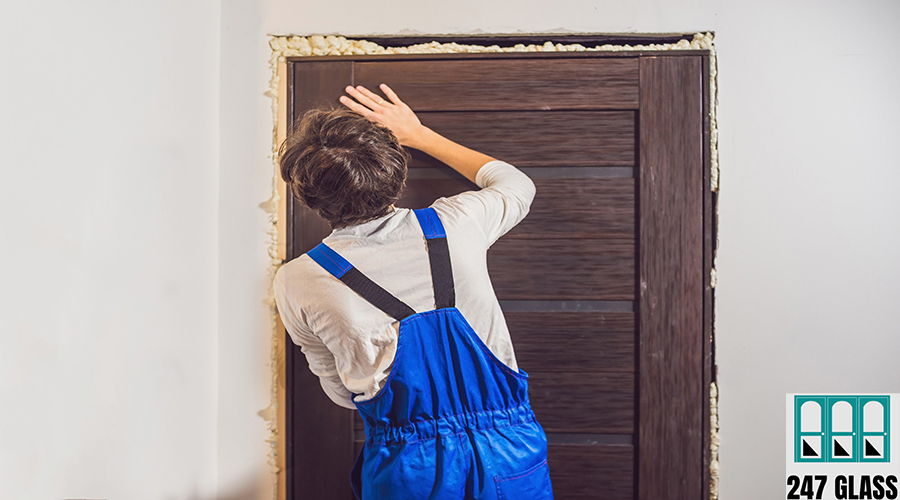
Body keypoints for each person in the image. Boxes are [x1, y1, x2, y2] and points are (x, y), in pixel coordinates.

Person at [273, 83, 554, 500]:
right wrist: (421, 135)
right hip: (510, 451)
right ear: (397, 172)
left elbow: (342, 392)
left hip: (408, 468)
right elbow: (516, 185)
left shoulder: (297, 280)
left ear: (307, 199)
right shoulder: (459, 223)